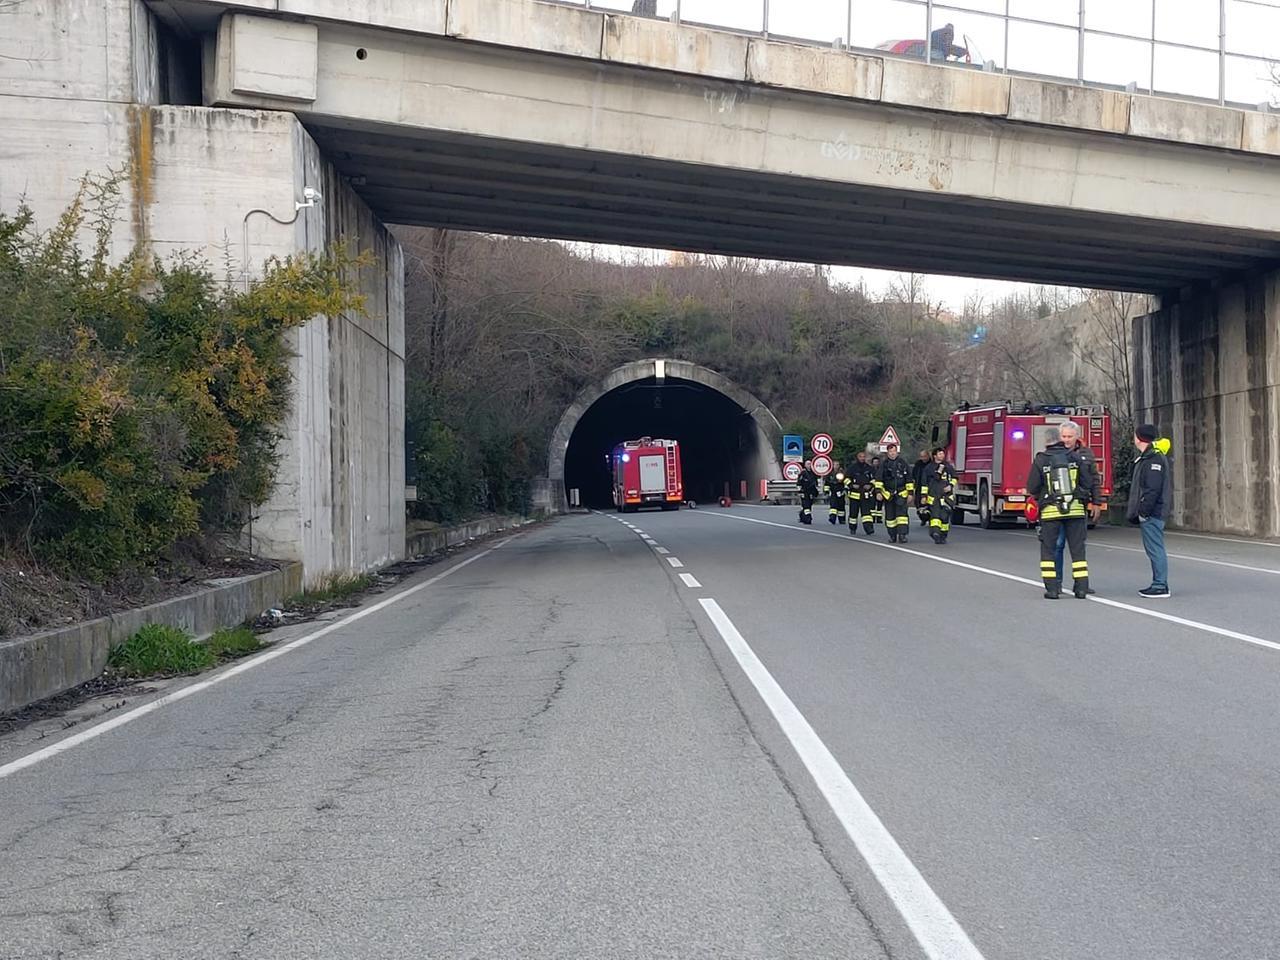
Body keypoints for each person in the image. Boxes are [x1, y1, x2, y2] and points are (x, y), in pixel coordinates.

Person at [1026, 426, 1091, 599]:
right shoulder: (1075, 457)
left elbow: (1032, 487)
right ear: (1060, 439)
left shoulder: (1041, 459)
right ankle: (1081, 589)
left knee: (1049, 551)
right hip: (1075, 511)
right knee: (1078, 552)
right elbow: (1087, 482)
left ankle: (1053, 589)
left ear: (1046, 441)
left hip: (1050, 512)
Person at [1051, 422, 1101, 594]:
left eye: (1069, 436)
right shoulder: (1053, 453)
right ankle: (1056, 583)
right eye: (1063, 436)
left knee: (1078, 547)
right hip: (1057, 508)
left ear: (1077, 436)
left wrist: (1096, 502)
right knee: (1057, 545)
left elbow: (1094, 479)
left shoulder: (1086, 454)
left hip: (1078, 507)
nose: (1066, 440)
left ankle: (1081, 584)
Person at [1128, 424, 1172, 598]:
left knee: (1155, 548)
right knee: (1154, 548)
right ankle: (1160, 583)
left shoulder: (1153, 459)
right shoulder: (1150, 457)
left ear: (1139, 438)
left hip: (1153, 512)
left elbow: (1152, 489)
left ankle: (1160, 585)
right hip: (1152, 511)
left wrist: (1143, 511)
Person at [874, 443, 914, 543]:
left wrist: (910, 493)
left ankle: (902, 535)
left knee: (902, 517)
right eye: (890, 451)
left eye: (894, 451)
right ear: (887, 453)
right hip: (888, 494)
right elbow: (879, 479)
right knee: (890, 517)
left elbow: (909, 479)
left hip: (901, 493)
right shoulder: (884, 464)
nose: (892, 453)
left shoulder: (903, 463)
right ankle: (892, 535)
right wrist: (878, 492)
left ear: (897, 452)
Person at [922, 447, 958, 544]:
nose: (942, 455)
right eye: (940, 454)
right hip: (934, 496)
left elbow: (955, 477)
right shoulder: (929, 468)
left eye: (943, 454)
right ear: (935, 456)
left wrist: (950, 486)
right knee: (935, 516)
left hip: (946, 497)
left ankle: (943, 535)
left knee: (944, 517)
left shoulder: (948, 466)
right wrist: (923, 496)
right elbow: (924, 483)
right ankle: (935, 533)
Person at [847, 451, 877, 536]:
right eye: (860, 456)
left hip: (865, 495)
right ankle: (852, 528)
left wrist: (870, 485)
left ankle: (869, 529)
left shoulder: (869, 468)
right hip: (854, 495)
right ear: (857, 457)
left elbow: (875, 479)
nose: (862, 458)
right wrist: (851, 485)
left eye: (864, 457)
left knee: (867, 514)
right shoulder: (852, 468)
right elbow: (846, 479)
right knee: (853, 514)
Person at [913, 449, 933, 527]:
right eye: (921, 456)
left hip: (930, 487)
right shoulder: (918, 464)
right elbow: (914, 474)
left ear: (928, 456)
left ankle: (930, 518)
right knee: (918, 504)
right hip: (919, 486)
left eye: (924, 456)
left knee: (929, 504)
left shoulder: (932, 464)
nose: (923, 458)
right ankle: (923, 518)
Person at [796, 460, 818, 525]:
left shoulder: (813, 473)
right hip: (804, 491)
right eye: (808, 464)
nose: (809, 465)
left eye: (810, 464)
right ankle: (808, 519)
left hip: (811, 492)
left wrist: (815, 491)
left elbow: (815, 483)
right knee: (806, 505)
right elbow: (799, 483)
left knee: (809, 505)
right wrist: (800, 492)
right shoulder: (803, 473)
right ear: (805, 465)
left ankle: (802, 516)